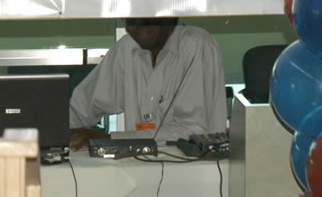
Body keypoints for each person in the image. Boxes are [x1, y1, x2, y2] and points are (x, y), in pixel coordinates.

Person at [68, 18, 227, 150]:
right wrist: (64, 135)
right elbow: (81, 108)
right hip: (141, 170)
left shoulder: (197, 45)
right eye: (130, 20)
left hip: (195, 173)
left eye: (146, 18)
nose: (136, 26)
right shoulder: (127, 47)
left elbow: (192, 131)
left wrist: (107, 138)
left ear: (170, 15)